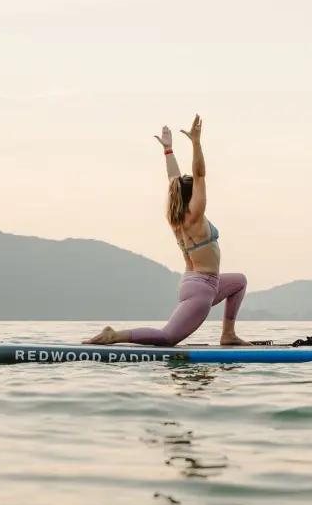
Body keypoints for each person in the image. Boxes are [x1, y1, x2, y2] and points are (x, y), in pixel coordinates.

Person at [82, 113, 251, 347]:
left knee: (239, 281)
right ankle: (115, 336)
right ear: (192, 197)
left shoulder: (177, 216)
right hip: (202, 289)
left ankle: (228, 334)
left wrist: (168, 150)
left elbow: (174, 180)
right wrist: (196, 143)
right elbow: (200, 175)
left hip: (196, 282)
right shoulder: (195, 217)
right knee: (167, 338)